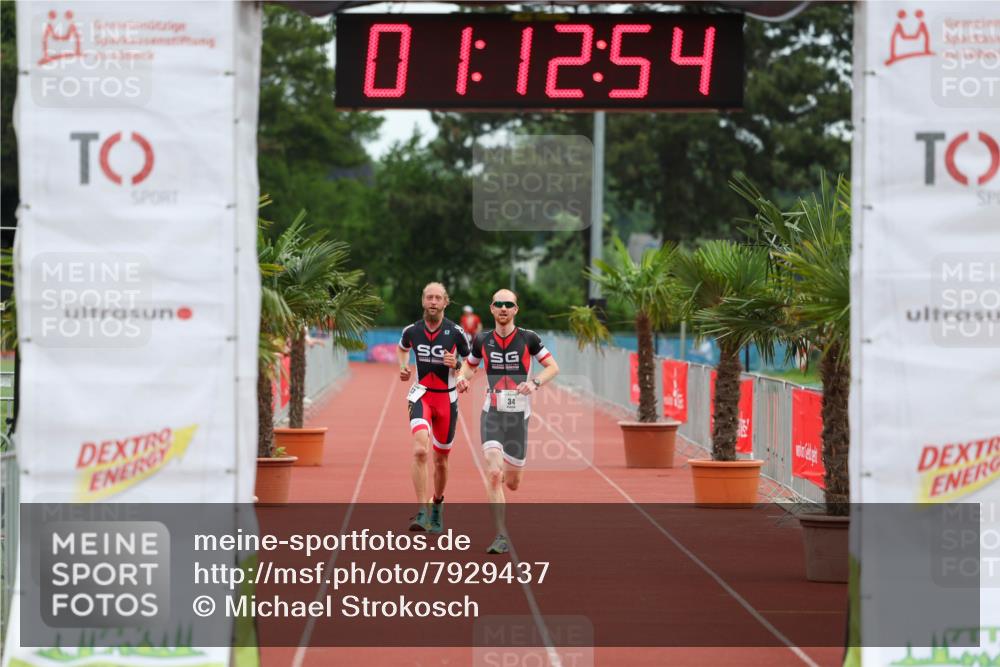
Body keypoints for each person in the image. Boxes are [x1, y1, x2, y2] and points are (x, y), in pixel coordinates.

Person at [456, 289, 559, 553]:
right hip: (491, 412)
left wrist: (534, 383)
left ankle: (504, 483)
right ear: (491, 309)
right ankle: (501, 535)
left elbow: (552, 367)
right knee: (493, 473)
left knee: (512, 482)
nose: (503, 308)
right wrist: (463, 378)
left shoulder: (529, 338)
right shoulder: (482, 340)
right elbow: (470, 365)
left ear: (515, 310)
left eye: (508, 304)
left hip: (518, 416)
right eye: (499, 304)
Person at [398, 282, 470, 533]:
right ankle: (421, 511)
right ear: (422, 301)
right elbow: (402, 348)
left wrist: (457, 366)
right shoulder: (412, 331)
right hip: (422, 397)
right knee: (420, 450)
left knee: (441, 460)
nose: (433, 301)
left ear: (445, 302)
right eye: (429, 297)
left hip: (447, 401)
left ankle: (437, 503)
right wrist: (403, 367)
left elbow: (470, 363)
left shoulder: (456, 332)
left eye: (438, 298)